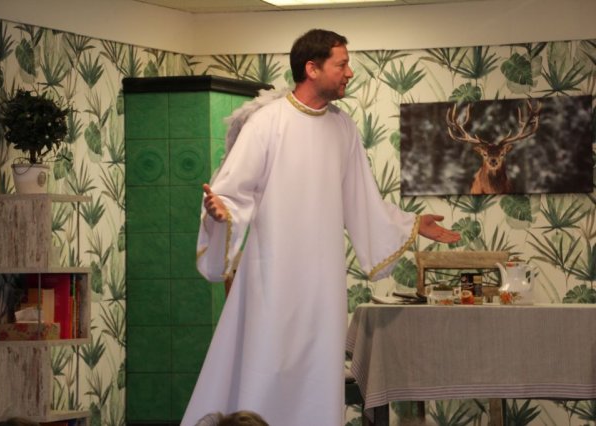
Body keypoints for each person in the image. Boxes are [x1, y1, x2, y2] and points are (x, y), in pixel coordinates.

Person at [182, 29, 460, 426]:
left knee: (316, 370)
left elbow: (361, 198)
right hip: (272, 275)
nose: (349, 72)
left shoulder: (342, 127)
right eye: (341, 64)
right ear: (312, 69)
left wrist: (412, 224)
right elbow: (232, 191)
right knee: (267, 362)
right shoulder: (267, 123)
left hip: (324, 286)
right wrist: (220, 211)